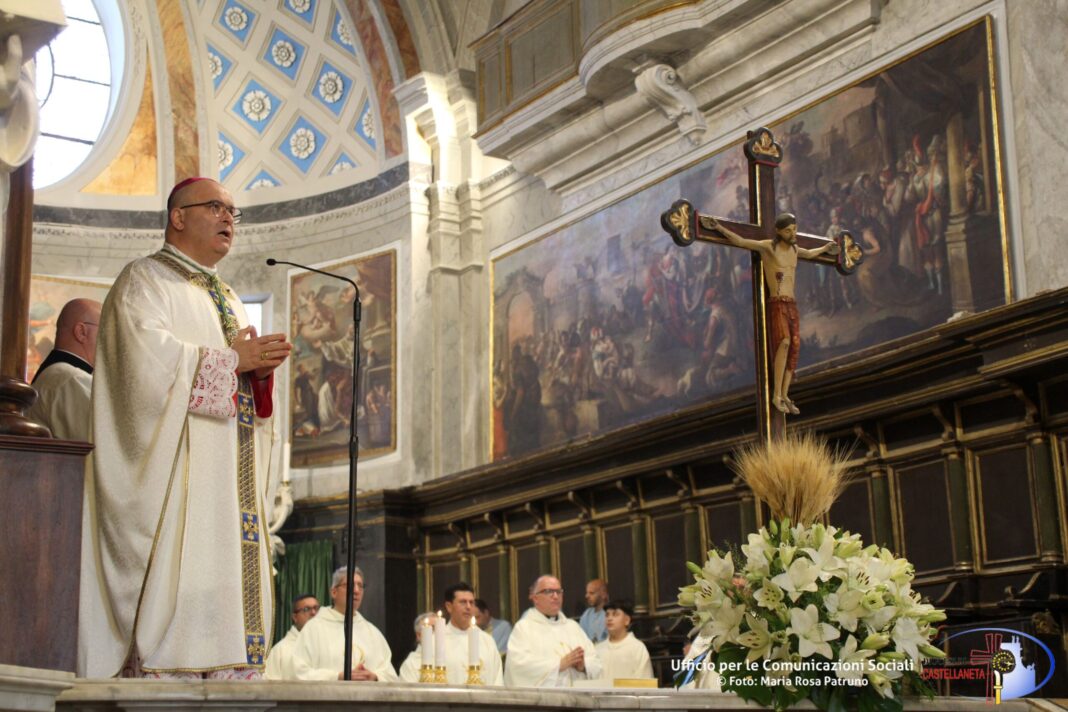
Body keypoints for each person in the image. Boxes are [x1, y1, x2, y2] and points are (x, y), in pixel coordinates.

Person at [78, 177, 293, 679]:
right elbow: (142, 373)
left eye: (233, 213)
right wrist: (229, 360)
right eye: (216, 207)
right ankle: (171, 663)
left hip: (228, 482)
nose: (228, 220)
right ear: (177, 217)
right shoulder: (144, 281)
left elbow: (243, 391)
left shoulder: (232, 298)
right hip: (178, 480)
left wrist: (257, 375)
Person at [709, 213, 839, 415]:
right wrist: (719, 228)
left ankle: (785, 394)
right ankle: (776, 395)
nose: (792, 233)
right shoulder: (769, 247)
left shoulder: (795, 249)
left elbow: (812, 254)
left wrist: (825, 248)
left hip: (792, 304)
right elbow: (741, 241)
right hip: (777, 303)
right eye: (788, 230)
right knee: (784, 342)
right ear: (779, 231)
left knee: (795, 347)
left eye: (794, 228)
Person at [292, 566, 397, 681]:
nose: (356, 590)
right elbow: (298, 673)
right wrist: (337, 677)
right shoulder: (313, 629)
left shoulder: (372, 633)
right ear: (333, 592)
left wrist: (375, 677)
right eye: (350, 585)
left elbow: (391, 676)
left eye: (360, 586)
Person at [505, 575, 602, 687]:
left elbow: (596, 661)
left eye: (558, 591)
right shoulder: (524, 628)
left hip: (577, 700)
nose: (555, 596)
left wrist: (584, 665)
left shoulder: (573, 627)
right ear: (535, 598)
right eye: (548, 591)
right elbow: (518, 666)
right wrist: (559, 664)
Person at [27, 298, 101, 441]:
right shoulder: (70, 379)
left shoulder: (59, 374)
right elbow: (101, 445)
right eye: (106, 330)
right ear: (81, 332)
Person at [263, 594, 320, 680]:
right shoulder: (280, 651)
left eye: (316, 608)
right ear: (295, 617)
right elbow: (270, 687)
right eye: (306, 609)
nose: (313, 613)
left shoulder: (329, 644)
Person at [596, 600, 653, 682]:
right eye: (607, 615)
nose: (609, 618)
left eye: (615, 614)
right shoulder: (598, 649)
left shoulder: (637, 648)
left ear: (627, 620)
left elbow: (646, 682)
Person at [398, 612, 437, 682]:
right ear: (419, 635)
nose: (438, 633)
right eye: (433, 629)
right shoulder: (411, 665)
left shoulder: (451, 656)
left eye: (440, 628)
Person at [579, 579, 609, 643]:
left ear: (603, 594)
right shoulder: (587, 614)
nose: (586, 596)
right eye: (587, 593)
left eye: (591, 593)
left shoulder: (611, 614)